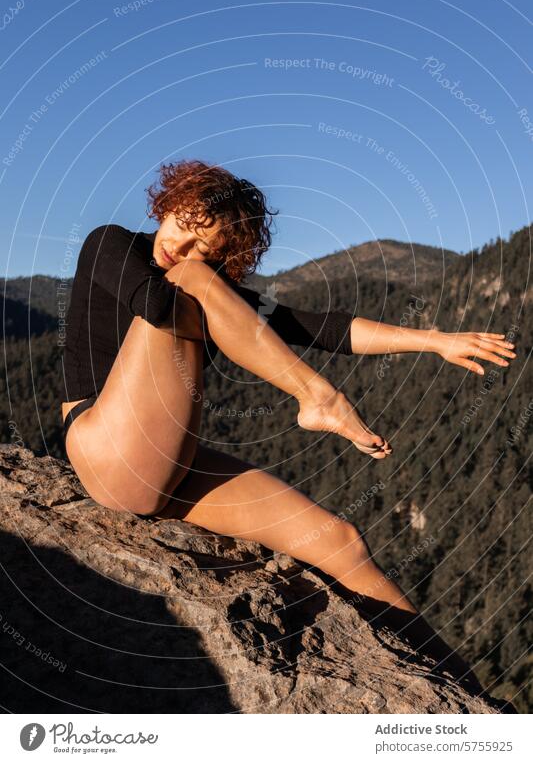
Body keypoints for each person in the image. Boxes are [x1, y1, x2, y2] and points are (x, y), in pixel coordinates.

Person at [61, 159, 516, 695]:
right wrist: (210, 285)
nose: (179, 247)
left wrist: (436, 340)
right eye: (181, 224)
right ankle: (316, 396)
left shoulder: (209, 289)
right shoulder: (110, 243)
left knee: (341, 542)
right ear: (166, 206)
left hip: (169, 465)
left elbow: (325, 328)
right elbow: (158, 301)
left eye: (203, 248)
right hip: (103, 445)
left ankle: (469, 698)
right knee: (188, 286)